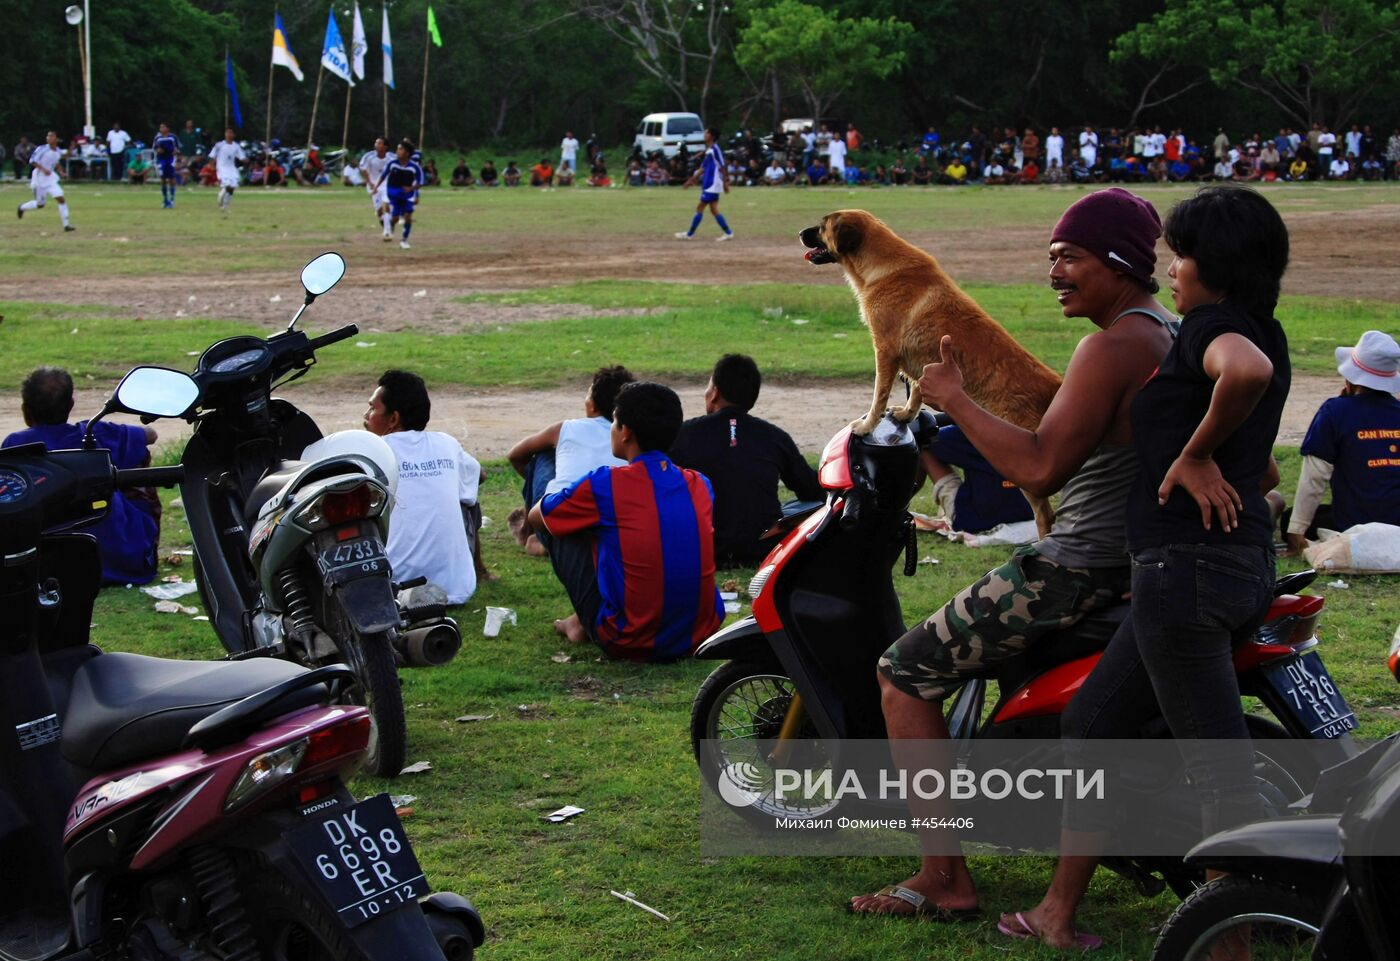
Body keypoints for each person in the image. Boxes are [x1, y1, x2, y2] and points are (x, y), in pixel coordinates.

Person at [850, 188, 1176, 920]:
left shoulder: (1112, 343)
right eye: (1052, 257)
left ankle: (944, 875)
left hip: (1076, 565)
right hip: (1133, 558)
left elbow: (1036, 468)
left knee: (901, 672)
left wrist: (954, 400)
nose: (1055, 272)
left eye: (1071, 257)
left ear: (1121, 260)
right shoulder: (1169, 333)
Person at [1000, 184, 1291, 950]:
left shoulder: (1211, 329)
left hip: (1186, 574)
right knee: (1091, 722)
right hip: (1229, 562)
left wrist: (1192, 454)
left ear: (1215, 266)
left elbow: (1247, 372)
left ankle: (1228, 941)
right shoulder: (1265, 325)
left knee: (1218, 775)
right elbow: (1258, 461)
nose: (1172, 269)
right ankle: (1057, 912)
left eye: (1183, 255)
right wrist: (1212, 455)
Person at [527, 382, 725, 661]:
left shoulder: (605, 484)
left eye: (614, 420)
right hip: (699, 633)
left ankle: (584, 621)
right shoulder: (699, 484)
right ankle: (581, 618)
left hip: (628, 638)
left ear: (625, 432)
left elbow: (538, 517)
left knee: (546, 476)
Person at [4, 367, 160, 585]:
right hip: (123, 564)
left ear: (25, 411)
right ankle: (131, 544)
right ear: (70, 406)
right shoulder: (94, 433)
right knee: (137, 456)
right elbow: (150, 435)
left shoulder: (15, 445)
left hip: (45, 566)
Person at [670, 354, 823, 566]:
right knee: (801, 508)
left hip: (704, 549)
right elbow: (811, 490)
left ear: (714, 393)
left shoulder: (682, 434)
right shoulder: (774, 436)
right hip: (762, 548)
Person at [362, 370, 481, 605]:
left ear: (393, 419)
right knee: (467, 493)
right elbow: (479, 475)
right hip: (459, 589)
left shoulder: (371, 451)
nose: (366, 416)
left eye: (372, 409)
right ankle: (478, 571)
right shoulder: (446, 443)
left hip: (391, 583)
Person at [1285, 330, 1400, 552]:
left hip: (1352, 526)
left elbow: (1315, 477)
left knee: (1290, 518)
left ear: (1350, 378)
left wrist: (1296, 531)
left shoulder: (1334, 412)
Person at [508, 365, 635, 558]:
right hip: (614, 524)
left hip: (560, 518)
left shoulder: (566, 428)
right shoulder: (632, 438)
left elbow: (515, 455)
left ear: (592, 405)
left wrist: (536, 485)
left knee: (542, 455)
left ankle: (534, 535)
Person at [918, 425, 1034, 533]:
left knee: (921, 443)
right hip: (1029, 511)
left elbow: (935, 438)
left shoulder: (961, 434)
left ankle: (902, 504)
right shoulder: (1025, 429)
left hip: (974, 522)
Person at [675, 127, 733, 241]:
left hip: (712, 184)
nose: (704, 134)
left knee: (700, 208)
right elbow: (703, 168)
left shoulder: (715, 149)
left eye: (706, 133)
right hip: (709, 183)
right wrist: (691, 180)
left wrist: (726, 182)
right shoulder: (710, 149)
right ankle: (728, 232)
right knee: (713, 209)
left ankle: (689, 234)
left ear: (711, 136)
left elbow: (722, 165)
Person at [17, 131, 74, 231]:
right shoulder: (42, 149)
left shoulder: (57, 151)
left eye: (51, 136)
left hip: (50, 178)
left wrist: (61, 172)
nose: (48, 137)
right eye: (48, 136)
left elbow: (57, 162)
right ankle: (22, 207)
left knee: (61, 198)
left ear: (56, 139)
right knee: (40, 204)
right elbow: (32, 161)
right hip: (39, 179)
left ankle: (66, 225)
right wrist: (43, 169)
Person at [384, 140, 424, 249]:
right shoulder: (393, 163)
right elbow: (384, 176)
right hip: (395, 194)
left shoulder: (415, 167)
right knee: (396, 218)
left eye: (400, 149)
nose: (397, 151)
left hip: (408, 195)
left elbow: (421, 182)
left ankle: (404, 240)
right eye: (397, 149)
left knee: (408, 216)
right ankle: (391, 225)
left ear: (407, 153)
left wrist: (411, 188)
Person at [360, 137, 394, 240]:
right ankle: (383, 220)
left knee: (386, 206)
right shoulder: (369, 156)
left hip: (387, 185)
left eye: (379, 143)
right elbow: (363, 169)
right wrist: (369, 182)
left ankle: (386, 232)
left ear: (385, 147)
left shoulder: (392, 157)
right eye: (376, 143)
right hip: (373, 185)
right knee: (379, 211)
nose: (376, 145)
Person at [208, 128, 246, 213]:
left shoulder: (236, 146)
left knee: (233, 187)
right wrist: (212, 165)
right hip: (222, 168)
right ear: (225, 134)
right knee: (227, 185)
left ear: (234, 135)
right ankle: (221, 195)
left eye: (231, 133)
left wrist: (246, 160)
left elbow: (242, 156)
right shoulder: (219, 145)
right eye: (227, 133)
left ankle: (225, 206)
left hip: (231, 168)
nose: (229, 135)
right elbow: (212, 156)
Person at [153, 123, 179, 207]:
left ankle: (172, 199)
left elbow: (177, 148)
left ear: (167, 128)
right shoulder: (158, 137)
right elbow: (155, 148)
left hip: (170, 159)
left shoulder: (172, 137)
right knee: (163, 179)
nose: (161, 128)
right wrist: (158, 150)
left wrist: (175, 152)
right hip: (161, 160)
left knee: (172, 178)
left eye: (163, 127)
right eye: (160, 127)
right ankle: (165, 199)